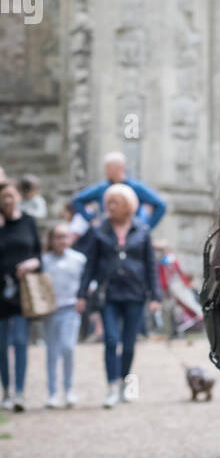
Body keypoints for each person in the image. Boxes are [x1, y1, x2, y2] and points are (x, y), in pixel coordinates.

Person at [75, 184, 161, 408]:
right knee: (111, 340)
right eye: (108, 203)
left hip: (135, 293)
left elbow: (151, 266)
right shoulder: (99, 231)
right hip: (108, 293)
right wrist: (81, 294)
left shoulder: (141, 231)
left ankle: (125, 383)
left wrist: (155, 297)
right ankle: (111, 386)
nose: (109, 207)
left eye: (115, 203)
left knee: (130, 343)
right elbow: (90, 265)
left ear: (128, 206)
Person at [0, 182, 43, 410]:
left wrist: (31, 263)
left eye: (11, 195)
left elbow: (39, 254)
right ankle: (5, 390)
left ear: (18, 197)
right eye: (4, 196)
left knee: (19, 342)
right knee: (1, 345)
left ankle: (19, 392)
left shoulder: (28, 221)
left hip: (22, 291)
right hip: (1, 290)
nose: (8, 200)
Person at [42, 223, 86, 408]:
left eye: (64, 236)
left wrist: (82, 298)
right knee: (52, 352)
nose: (61, 240)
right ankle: (52, 392)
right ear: (51, 240)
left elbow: (86, 282)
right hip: (51, 311)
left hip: (70, 309)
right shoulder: (44, 260)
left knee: (68, 348)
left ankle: (68, 389)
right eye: (57, 237)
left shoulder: (79, 259)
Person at [71, 151, 166, 230]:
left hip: (131, 234)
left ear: (120, 167)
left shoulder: (136, 187)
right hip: (107, 233)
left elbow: (160, 205)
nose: (105, 171)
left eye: (108, 168)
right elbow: (77, 200)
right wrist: (91, 220)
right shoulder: (102, 187)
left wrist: (146, 227)